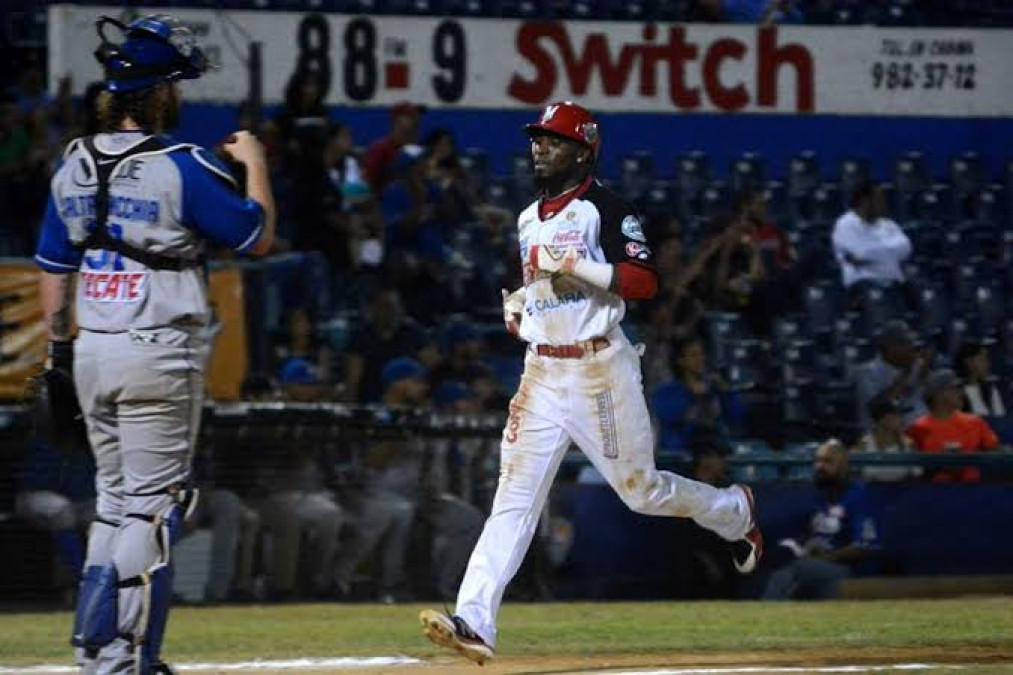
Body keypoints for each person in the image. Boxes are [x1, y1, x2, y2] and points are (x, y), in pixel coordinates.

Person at [419, 101, 761, 665]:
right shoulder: (529, 218)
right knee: (513, 498)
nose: (540, 148)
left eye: (553, 140)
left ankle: (733, 511)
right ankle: (474, 621)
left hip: (600, 368)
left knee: (642, 491)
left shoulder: (606, 208)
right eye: (537, 139)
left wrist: (576, 267)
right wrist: (520, 312)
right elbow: (543, 288)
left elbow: (644, 282)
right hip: (542, 372)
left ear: (583, 150)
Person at [34, 14, 274, 674]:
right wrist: (253, 165)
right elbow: (255, 236)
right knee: (150, 506)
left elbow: (54, 269)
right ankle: (125, 658)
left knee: (112, 504)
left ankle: (98, 651)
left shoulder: (73, 163)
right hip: (157, 351)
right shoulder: (183, 165)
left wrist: (57, 354)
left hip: (91, 348)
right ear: (160, 94)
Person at [762, 439, 879, 601]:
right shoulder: (819, 496)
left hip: (845, 568)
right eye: (817, 461)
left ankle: (768, 612)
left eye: (828, 462)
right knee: (780, 557)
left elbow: (865, 546)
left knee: (794, 567)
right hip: (816, 563)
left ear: (844, 466)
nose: (819, 466)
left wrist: (828, 557)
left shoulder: (858, 496)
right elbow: (812, 535)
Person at [652, 336, 744, 453]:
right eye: (694, 355)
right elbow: (668, 416)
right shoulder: (667, 391)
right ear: (680, 360)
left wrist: (727, 394)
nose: (700, 359)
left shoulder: (714, 388)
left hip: (715, 446)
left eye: (701, 354)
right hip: (681, 449)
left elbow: (736, 416)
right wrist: (691, 395)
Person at [907, 369, 1000, 483]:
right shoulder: (917, 428)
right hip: (933, 494)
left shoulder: (975, 422)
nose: (961, 392)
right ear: (938, 395)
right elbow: (912, 471)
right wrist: (939, 464)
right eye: (955, 389)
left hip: (974, 493)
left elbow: (996, 453)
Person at [831, 181, 912, 312]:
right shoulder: (845, 224)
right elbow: (861, 253)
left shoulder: (888, 224)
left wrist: (876, 252)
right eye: (879, 199)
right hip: (863, 286)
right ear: (865, 201)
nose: (884, 203)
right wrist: (889, 251)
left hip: (895, 285)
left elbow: (906, 249)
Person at [855, 321, 933, 430]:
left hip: (920, 428)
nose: (911, 349)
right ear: (890, 348)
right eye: (906, 344)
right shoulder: (867, 371)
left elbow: (930, 397)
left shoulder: (917, 365)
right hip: (883, 436)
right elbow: (879, 407)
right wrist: (907, 373)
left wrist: (925, 369)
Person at [851, 399, 921, 482]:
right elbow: (852, 473)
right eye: (896, 415)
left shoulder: (909, 443)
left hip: (902, 492)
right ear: (883, 419)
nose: (902, 419)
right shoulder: (864, 444)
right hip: (871, 493)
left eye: (901, 415)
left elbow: (917, 474)